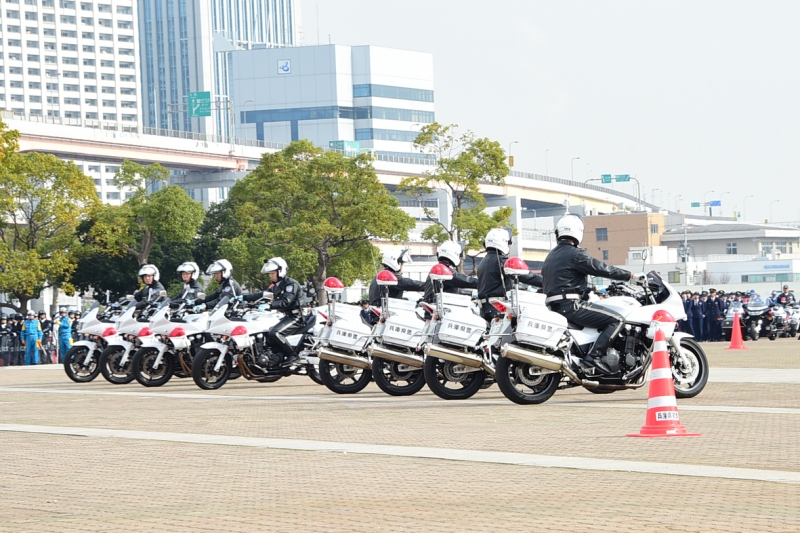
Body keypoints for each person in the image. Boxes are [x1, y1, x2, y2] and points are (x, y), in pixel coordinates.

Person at [541, 215, 636, 374]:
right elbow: (602, 268)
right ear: (578, 232)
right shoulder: (576, 254)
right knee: (618, 320)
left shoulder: (551, 255)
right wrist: (629, 275)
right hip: (572, 306)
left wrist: (588, 289)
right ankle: (593, 357)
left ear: (558, 233)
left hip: (554, 305)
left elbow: (561, 279)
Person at [478, 228, 543, 321]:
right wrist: (545, 282)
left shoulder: (483, 261)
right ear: (503, 242)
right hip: (498, 307)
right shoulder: (501, 261)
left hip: (487, 308)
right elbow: (526, 276)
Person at [259, 257, 305, 366]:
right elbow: (262, 295)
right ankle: (277, 357)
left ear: (280, 271)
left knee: (275, 332)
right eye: (270, 273)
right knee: (266, 334)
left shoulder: (290, 284)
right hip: (286, 316)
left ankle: (293, 355)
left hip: (296, 317)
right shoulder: (276, 286)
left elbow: (285, 302)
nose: (270, 275)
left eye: (272, 273)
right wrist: (242, 298)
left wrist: (269, 305)